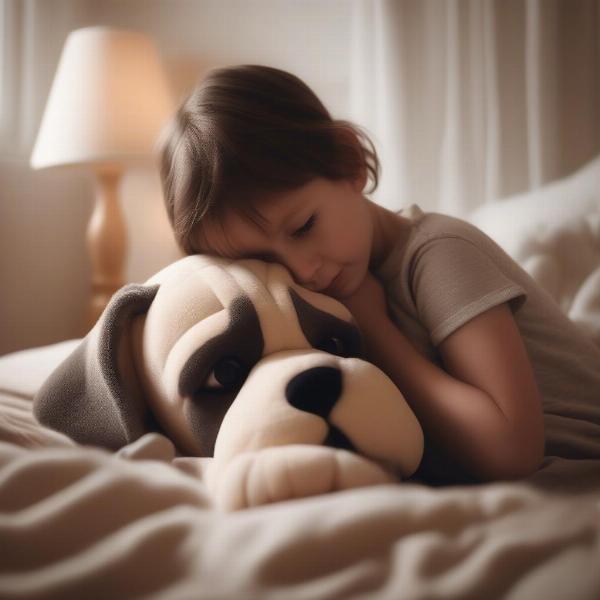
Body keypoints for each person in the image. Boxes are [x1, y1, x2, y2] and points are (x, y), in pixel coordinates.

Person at [159, 64, 600, 485]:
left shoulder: (438, 254)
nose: (302, 270)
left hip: (572, 465)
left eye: (303, 227)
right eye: (262, 261)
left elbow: (510, 452)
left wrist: (377, 330)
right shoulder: (306, 295)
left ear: (350, 163)